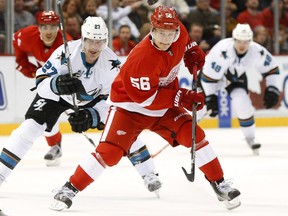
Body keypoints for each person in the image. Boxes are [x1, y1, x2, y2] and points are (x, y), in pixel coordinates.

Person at [50, 6, 241, 212]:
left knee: (194, 135)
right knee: (109, 154)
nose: (166, 39)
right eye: (161, 33)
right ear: (153, 30)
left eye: (170, 34)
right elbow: (146, 99)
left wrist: (191, 49)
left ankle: (219, 183)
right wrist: (181, 97)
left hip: (164, 104)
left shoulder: (179, 32)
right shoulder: (141, 58)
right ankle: (69, 188)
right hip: (130, 107)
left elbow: (185, 40)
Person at [0, 16, 161, 194]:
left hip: (92, 99)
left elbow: (114, 102)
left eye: (99, 42)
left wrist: (91, 116)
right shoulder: (65, 52)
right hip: (57, 96)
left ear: (105, 41)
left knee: (123, 127)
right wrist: (56, 84)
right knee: (28, 129)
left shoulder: (112, 65)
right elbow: (41, 81)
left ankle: (149, 173)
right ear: (83, 38)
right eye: (91, 41)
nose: (94, 48)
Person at [200, 23, 281, 155]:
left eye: (246, 41)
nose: (242, 45)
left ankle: (251, 137)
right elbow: (208, 78)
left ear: (251, 40)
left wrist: (273, 89)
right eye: (239, 41)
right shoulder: (221, 50)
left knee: (242, 103)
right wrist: (210, 96)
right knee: (200, 108)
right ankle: (185, 135)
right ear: (233, 39)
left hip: (235, 79)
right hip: (210, 79)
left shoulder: (257, 51)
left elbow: (272, 69)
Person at [13, 11, 72, 166]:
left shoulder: (68, 45)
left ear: (59, 28)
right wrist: (32, 70)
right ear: (37, 28)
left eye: (53, 27)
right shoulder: (26, 36)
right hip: (47, 81)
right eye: (44, 27)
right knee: (44, 113)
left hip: (67, 82)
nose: (48, 31)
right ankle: (55, 146)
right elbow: (15, 41)